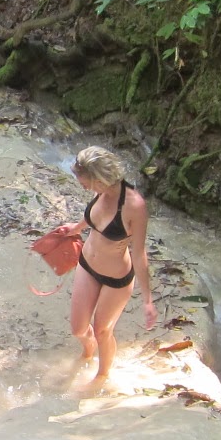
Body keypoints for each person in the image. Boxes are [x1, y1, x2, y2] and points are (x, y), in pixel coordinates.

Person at [56, 146, 155, 388]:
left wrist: (148, 300)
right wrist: (76, 228)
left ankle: (102, 376)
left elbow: (140, 255)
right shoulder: (102, 192)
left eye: (87, 183)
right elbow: (95, 217)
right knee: (79, 329)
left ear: (100, 178)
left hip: (116, 279)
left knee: (102, 330)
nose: (84, 188)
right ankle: (88, 350)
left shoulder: (135, 206)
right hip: (87, 265)